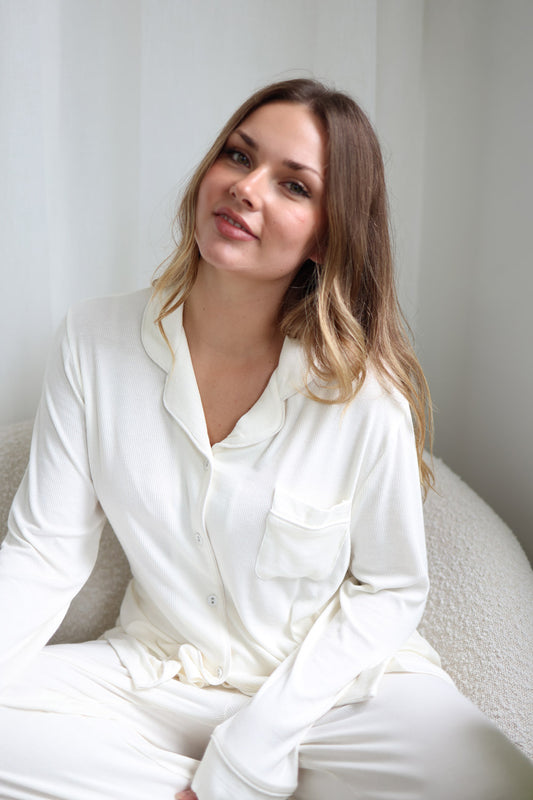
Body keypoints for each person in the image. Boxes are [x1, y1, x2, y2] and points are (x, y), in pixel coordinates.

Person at [0, 78, 531, 800]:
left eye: (292, 186)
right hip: (158, 674)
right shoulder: (93, 341)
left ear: (328, 234)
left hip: (332, 696)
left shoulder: (363, 394)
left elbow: (388, 590)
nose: (245, 189)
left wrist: (252, 751)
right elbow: (44, 552)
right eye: (237, 156)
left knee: (491, 780)